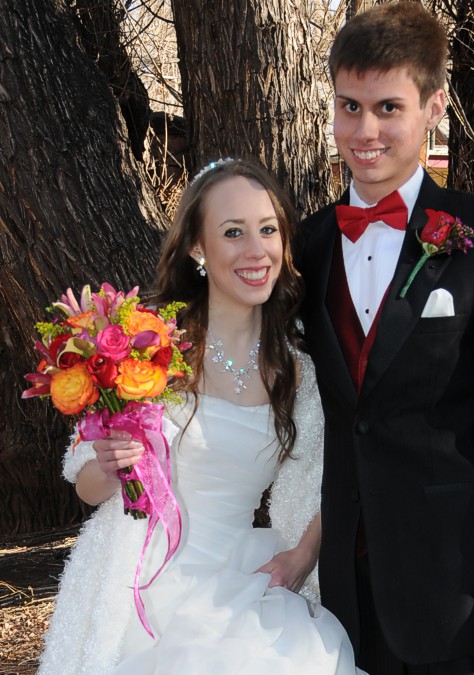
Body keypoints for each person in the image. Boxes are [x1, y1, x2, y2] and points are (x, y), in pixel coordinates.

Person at [297, 4, 474, 675]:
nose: (366, 130)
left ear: (433, 105)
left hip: (463, 590)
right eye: (349, 107)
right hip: (345, 595)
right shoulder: (307, 244)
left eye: (389, 107)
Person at [39, 158, 365, 674]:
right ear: (197, 248)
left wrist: (304, 553)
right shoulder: (148, 346)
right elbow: (85, 484)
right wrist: (109, 461)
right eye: (233, 232)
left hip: (239, 587)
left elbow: (332, 473)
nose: (256, 251)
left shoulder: (297, 368)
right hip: (137, 582)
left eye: (268, 230)